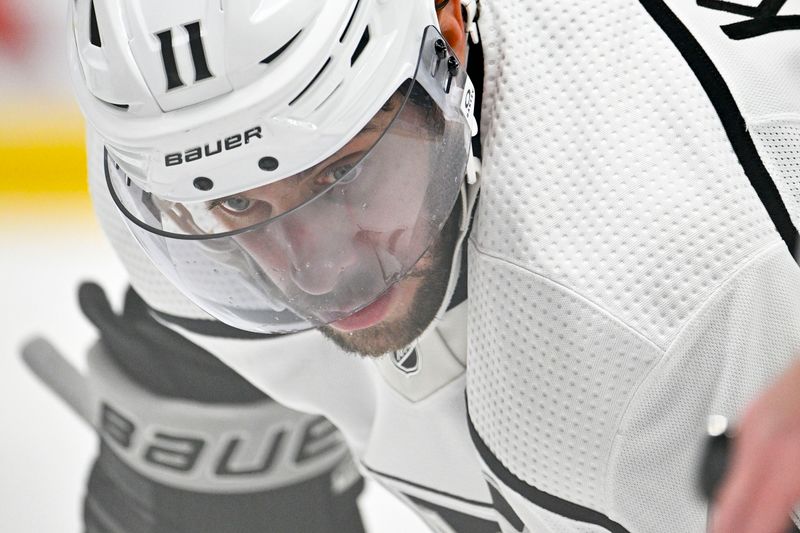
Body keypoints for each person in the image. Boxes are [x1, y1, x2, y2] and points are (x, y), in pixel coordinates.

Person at [54, 0, 800, 531]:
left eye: (341, 176)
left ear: (448, 34)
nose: (317, 276)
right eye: (242, 208)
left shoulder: (666, 310)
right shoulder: (169, 173)